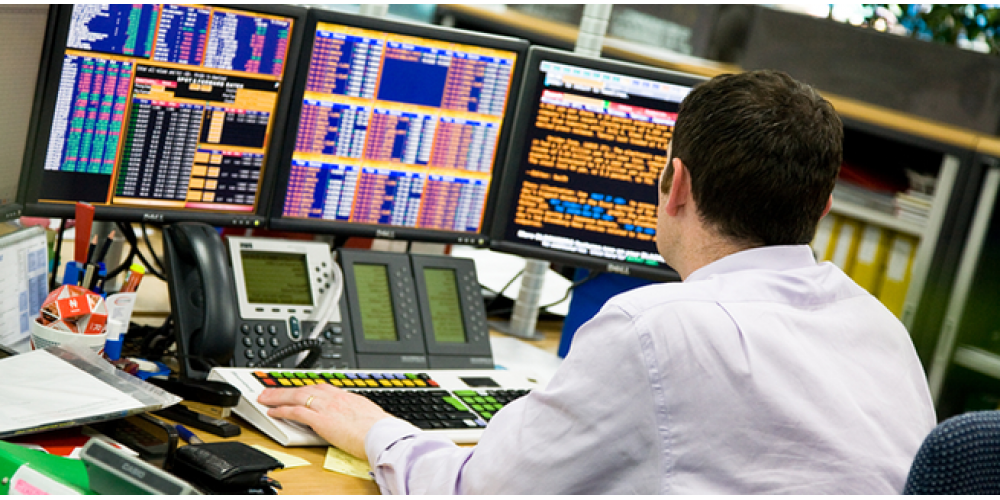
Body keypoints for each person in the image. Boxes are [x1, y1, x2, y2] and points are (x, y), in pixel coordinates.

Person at [257, 70, 936, 494]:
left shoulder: (655, 329)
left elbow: (480, 494)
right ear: (823, 207)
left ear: (675, 185)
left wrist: (379, 430)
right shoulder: (881, 328)